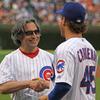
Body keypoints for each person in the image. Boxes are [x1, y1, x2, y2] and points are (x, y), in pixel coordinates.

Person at [39, 2, 98, 100]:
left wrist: (47, 98)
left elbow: (63, 86)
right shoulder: (91, 48)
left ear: (64, 21)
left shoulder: (65, 48)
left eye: (61, 18)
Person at [0, 17, 54, 100]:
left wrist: (46, 84)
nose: (34, 36)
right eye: (29, 33)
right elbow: (2, 87)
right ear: (19, 36)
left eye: (36, 32)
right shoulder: (9, 59)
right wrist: (28, 83)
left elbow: (61, 84)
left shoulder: (51, 57)